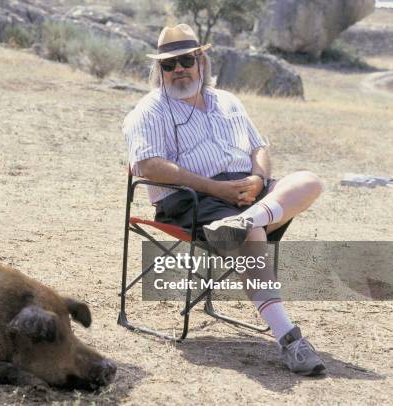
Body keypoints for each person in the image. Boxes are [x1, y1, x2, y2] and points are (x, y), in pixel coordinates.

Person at [123, 24, 326, 376]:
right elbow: (149, 165)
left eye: (185, 60)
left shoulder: (228, 101)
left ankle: (249, 218)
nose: (178, 70)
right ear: (160, 70)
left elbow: (258, 146)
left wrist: (258, 179)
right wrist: (214, 189)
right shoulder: (150, 110)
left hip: (246, 193)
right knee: (252, 235)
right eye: (168, 65)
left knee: (309, 181)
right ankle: (290, 339)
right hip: (192, 200)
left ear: (202, 60)